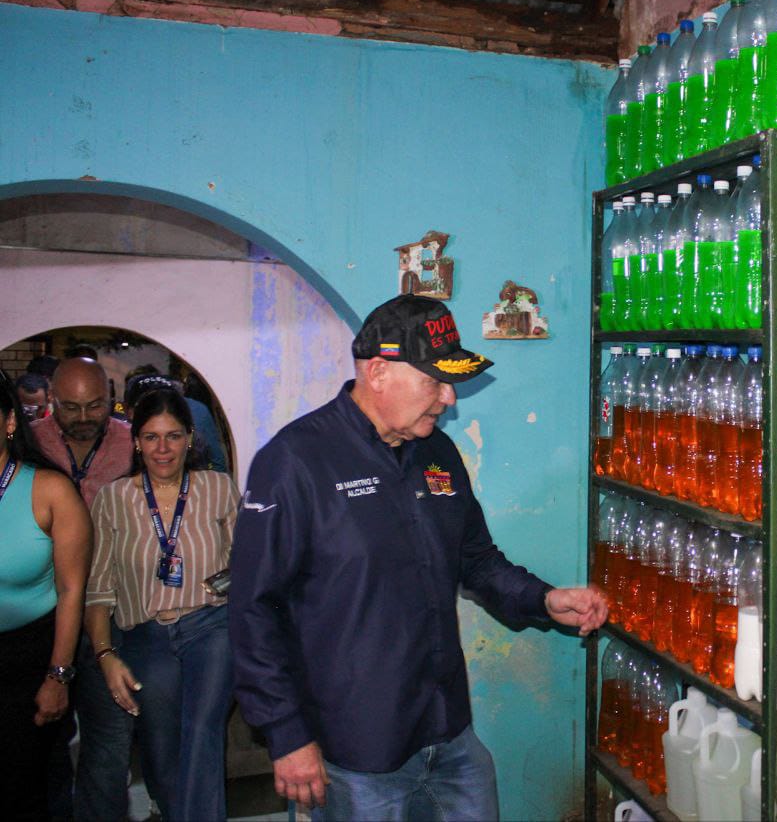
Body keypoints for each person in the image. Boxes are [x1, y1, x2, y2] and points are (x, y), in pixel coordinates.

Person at [230, 296, 609, 820]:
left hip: (449, 732)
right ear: (378, 371)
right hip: (357, 753)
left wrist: (544, 600)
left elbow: (476, 560)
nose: (449, 399)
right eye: (434, 381)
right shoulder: (295, 461)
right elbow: (253, 610)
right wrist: (286, 735)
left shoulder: (437, 452)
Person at [86, 389, 239, 821]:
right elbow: (98, 590)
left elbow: (247, 567)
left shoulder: (218, 488)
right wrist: (104, 655)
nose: (163, 448)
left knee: (203, 732)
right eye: (151, 437)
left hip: (212, 626)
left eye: (173, 436)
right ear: (135, 441)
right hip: (146, 637)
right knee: (160, 745)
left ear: (191, 438)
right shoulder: (113, 499)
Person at [31, 358, 136, 821]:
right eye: (70, 408)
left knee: (110, 735)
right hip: (44, 608)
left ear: (110, 394)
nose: (82, 417)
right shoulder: (28, 441)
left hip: (109, 607)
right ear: (51, 401)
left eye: (94, 405)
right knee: (42, 738)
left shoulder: (131, 439)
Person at [0, 375, 92, 820]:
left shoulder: (50, 490)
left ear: (10, 422)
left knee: (23, 788)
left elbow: (71, 589)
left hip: (28, 660)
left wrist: (59, 676)